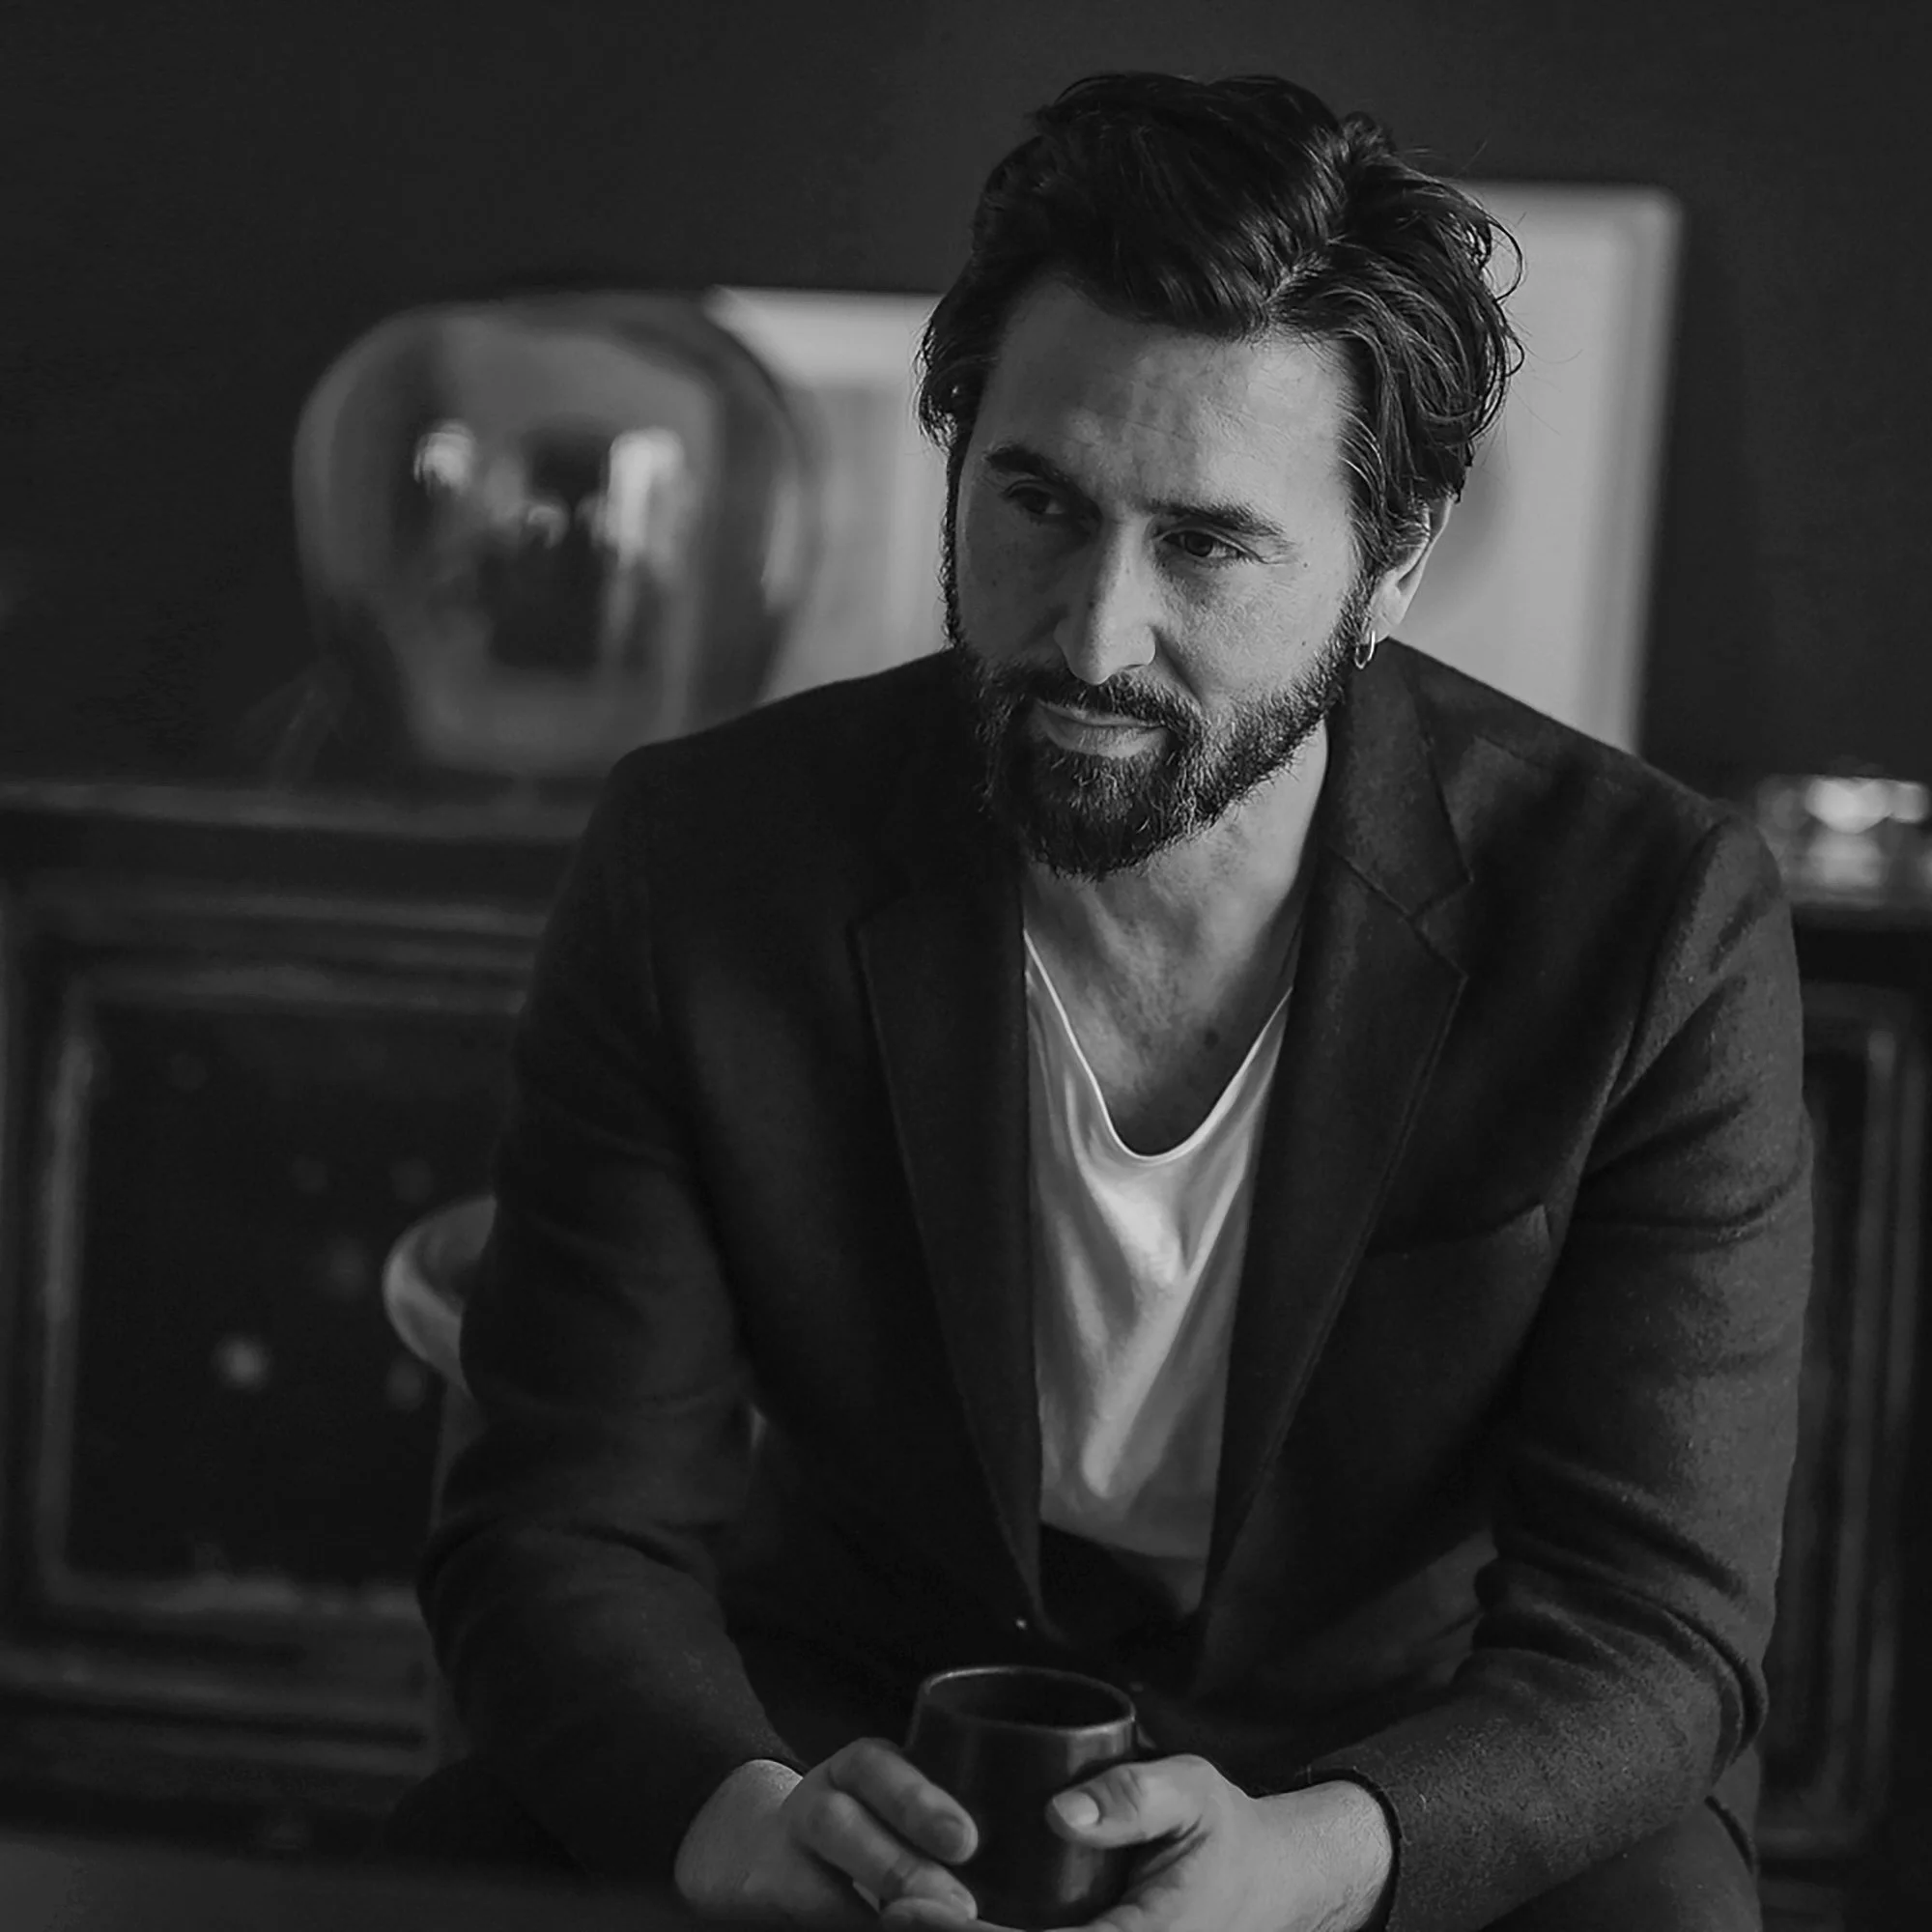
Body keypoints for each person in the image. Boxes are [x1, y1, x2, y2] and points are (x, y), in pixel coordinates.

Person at [388, 71, 1808, 1932]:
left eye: (1209, 545)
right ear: (960, 454)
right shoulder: (709, 861)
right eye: (1037, 504)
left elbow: (1655, 1625)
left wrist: (1330, 1860)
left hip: (1390, 1753)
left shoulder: (1650, 923)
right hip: (854, 1729)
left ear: (1395, 562)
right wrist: (732, 1813)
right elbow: (567, 1518)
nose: (1089, 632)